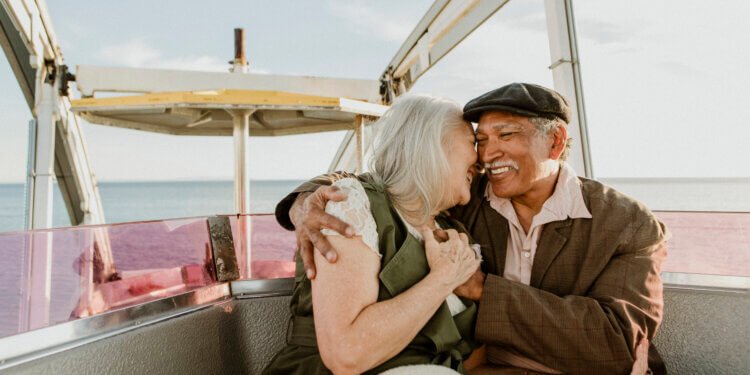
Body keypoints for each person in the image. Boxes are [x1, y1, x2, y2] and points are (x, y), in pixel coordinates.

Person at [276, 83, 668, 374]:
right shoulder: (467, 196)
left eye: (507, 135)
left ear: (555, 141)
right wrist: (305, 203)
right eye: (480, 139)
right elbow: (385, 182)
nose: (487, 154)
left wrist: (482, 288)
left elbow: (615, 342)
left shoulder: (628, 224)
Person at [263, 95, 485, 375]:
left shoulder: (457, 232)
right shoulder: (355, 204)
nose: (481, 164)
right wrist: (443, 279)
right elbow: (346, 355)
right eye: (471, 142)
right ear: (433, 145)